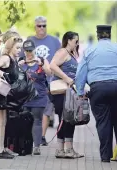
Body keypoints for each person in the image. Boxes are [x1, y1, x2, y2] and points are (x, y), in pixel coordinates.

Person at [75, 25, 117, 162]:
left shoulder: (89, 51)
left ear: (98, 36)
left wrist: (80, 92)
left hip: (98, 90)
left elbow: (80, 74)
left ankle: (105, 156)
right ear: (109, 35)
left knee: (103, 123)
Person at [0, 36, 22, 159]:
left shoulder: (14, 60)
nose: (19, 50)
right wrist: (1, 73)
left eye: (20, 48)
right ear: (10, 47)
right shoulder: (5, 58)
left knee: (3, 122)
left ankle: (1, 148)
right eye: (17, 48)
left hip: (4, 94)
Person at [27, 16, 61, 145]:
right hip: (32, 81)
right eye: (39, 25)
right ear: (35, 26)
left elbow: (60, 57)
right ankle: (33, 136)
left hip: (50, 80)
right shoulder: (30, 40)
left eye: (44, 25)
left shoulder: (54, 41)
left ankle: (41, 136)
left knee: (46, 109)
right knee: (33, 110)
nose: (42, 28)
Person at [50, 31, 84, 159]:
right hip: (62, 92)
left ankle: (63, 149)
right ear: (69, 40)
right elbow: (53, 65)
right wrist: (66, 78)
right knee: (68, 119)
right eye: (76, 40)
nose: (77, 43)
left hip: (68, 92)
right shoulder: (63, 52)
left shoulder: (71, 54)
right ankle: (66, 149)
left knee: (66, 119)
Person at [19, 39, 51, 155]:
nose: (29, 53)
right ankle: (25, 146)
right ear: (24, 51)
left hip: (39, 97)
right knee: (24, 121)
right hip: (24, 97)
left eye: (31, 50)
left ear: (34, 49)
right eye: (27, 50)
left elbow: (49, 73)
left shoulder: (42, 60)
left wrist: (41, 64)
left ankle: (37, 146)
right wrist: (18, 66)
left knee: (37, 120)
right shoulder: (21, 62)